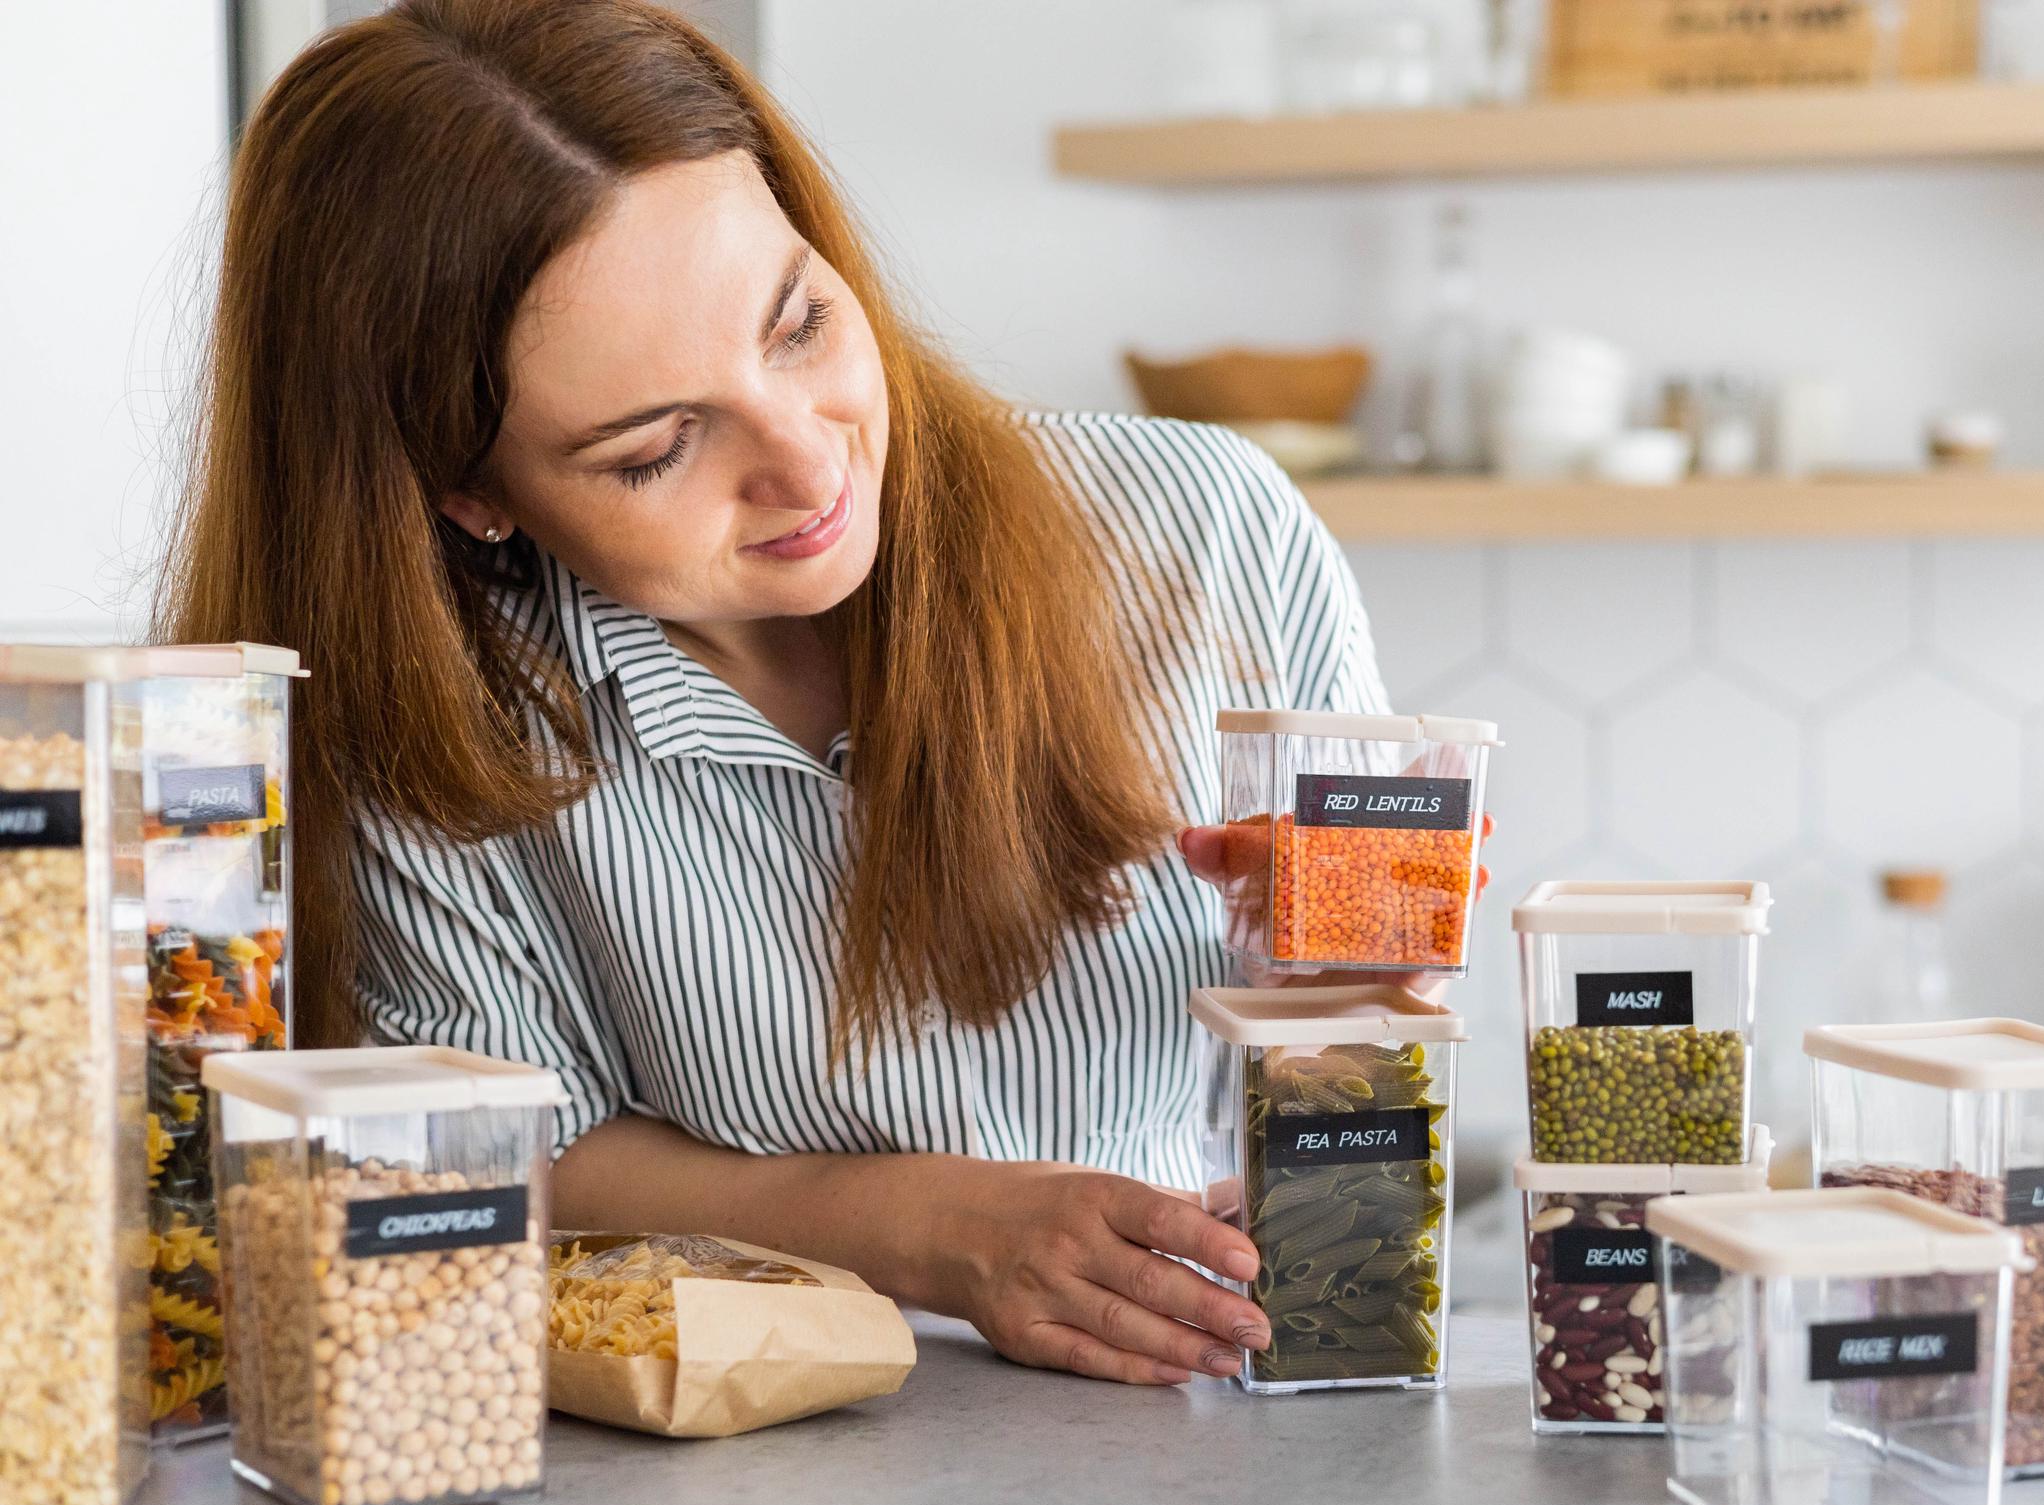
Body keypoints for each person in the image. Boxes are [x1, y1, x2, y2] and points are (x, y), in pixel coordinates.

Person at [163, 0, 1481, 1387]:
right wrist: (933, 1228)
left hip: (1197, 1427)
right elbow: (512, 1155)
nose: (808, 465)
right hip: (723, 1487)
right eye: (658, 446)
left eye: (798, 324)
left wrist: (1351, 966)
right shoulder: (433, 718)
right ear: (467, 491)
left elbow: (1357, 1047)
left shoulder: (1201, 533)